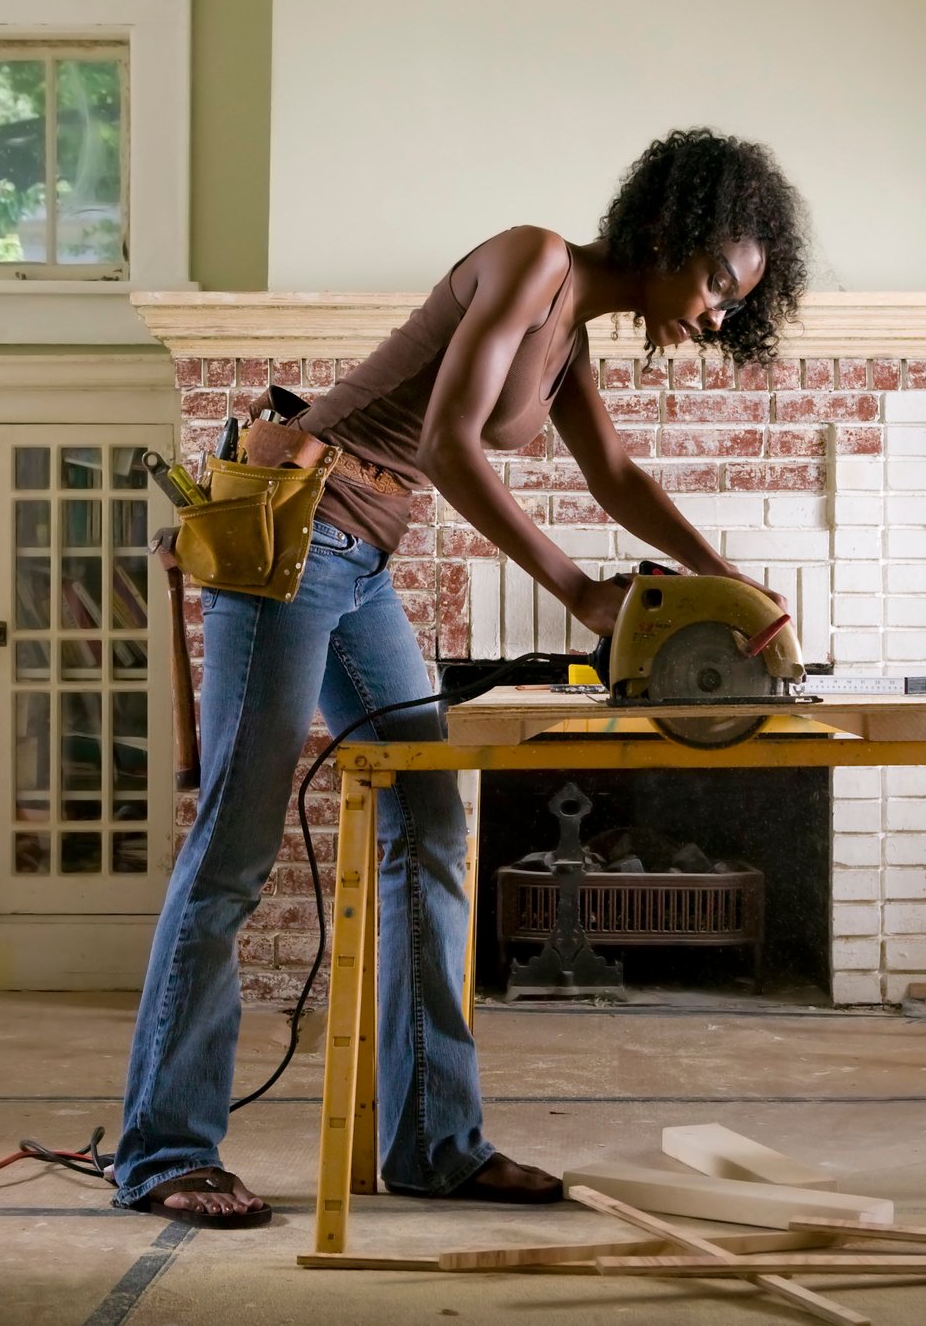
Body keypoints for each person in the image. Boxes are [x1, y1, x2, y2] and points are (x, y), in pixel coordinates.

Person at [113, 127, 810, 1227]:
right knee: (235, 850)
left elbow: (616, 472)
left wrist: (736, 591)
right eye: (720, 283)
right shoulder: (533, 258)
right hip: (288, 540)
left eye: (735, 304)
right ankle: (162, 1152)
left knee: (433, 826)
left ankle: (436, 1142)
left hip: (357, 556)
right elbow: (445, 442)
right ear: (673, 235)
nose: (719, 313)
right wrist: (580, 590)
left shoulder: (569, 332)